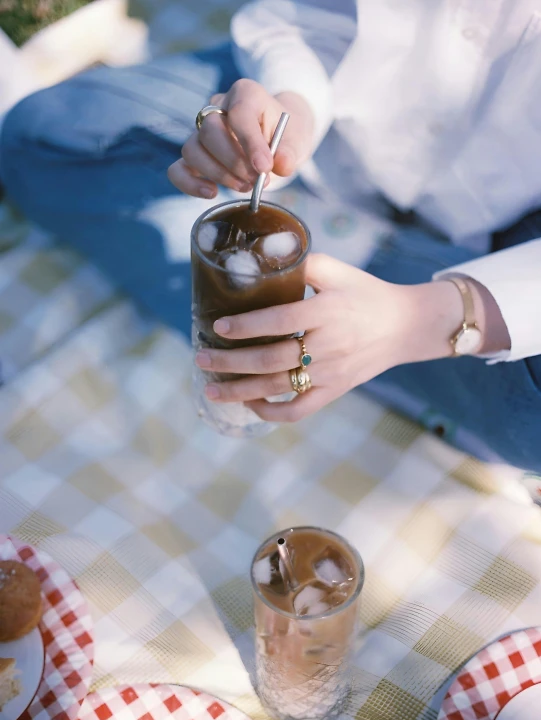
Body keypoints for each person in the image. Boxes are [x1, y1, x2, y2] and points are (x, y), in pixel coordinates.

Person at [1, 0, 541, 473]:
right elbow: (314, 20)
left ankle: (350, 318)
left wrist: (428, 319)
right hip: (336, 126)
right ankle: (343, 324)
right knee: (42, 137)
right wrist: (293, 108)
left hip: (516, 244)